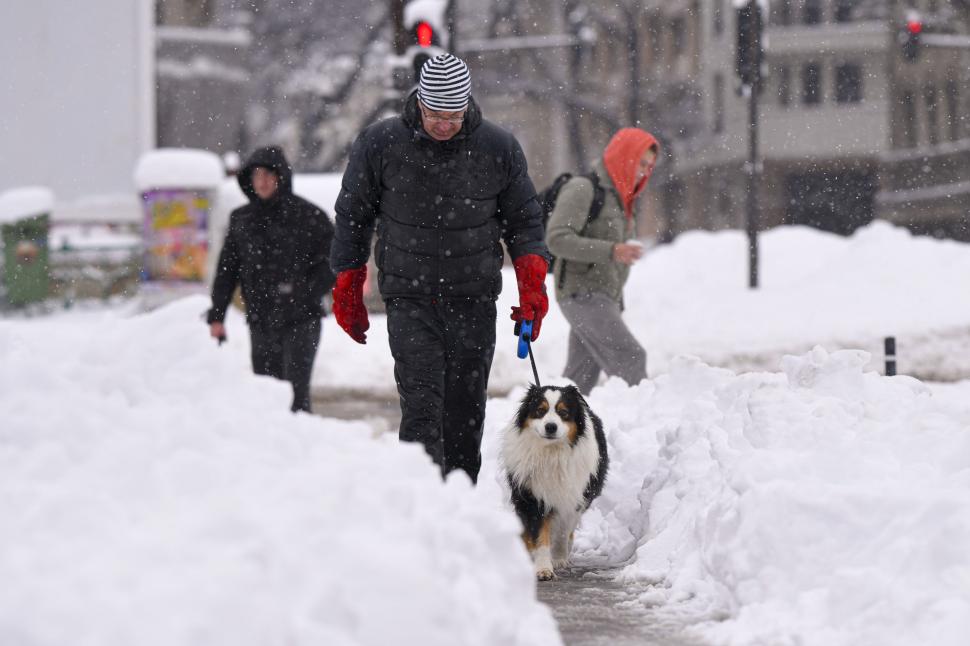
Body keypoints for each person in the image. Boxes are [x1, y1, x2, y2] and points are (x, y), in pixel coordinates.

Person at [329, 53, 550, 484]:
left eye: (453, 113)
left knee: (466, 410)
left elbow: (525, 224)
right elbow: (353, 217)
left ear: (467, 105)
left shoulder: (498, 148)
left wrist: (532, 291)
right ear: (419, 103)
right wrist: (348, 285)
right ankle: (423, 504)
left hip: (474, 297)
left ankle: (461, 504)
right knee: (422, 404)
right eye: (434, 113)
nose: (444, 123)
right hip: (409, 296)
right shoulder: (380, 144)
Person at [207, 146, 336, 413]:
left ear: (282, 177)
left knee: (296, 397)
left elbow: (336, 262)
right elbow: (227, 270)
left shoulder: (309, 217)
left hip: (302, 319)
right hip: (261, 320)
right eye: (256, 175)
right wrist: (217, 314)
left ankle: (304, 450)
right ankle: (271, 453)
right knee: (266, 397)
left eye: (269, 174)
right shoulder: (242, 220)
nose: (262, 181)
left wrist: (306, 292)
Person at [544, 128, 659, 395]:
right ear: (624, 156)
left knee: (577, 380)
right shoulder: (583, 189)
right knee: (631, 358)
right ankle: (647, 426)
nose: (644, 171)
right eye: (641, 163)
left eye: (649, 166)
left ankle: (553, 432)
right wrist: (612, 250)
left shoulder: (620, 198)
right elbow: (557, 239)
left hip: (604, 297)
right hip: (581, 293)